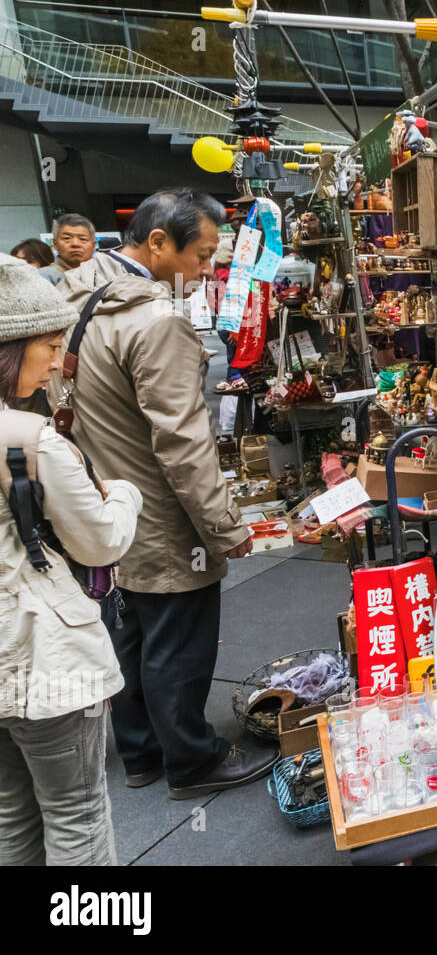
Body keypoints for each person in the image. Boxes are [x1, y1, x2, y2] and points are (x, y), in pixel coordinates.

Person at [57, 188, 271, 800]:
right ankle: (193, 759)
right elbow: (183, 442)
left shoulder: (81, 302)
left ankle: (142, 751)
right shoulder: (157, 321)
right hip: (160, 512)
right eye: (201, 255)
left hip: (101, 506)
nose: (207, 271)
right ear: (158, 242)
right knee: (178, 636)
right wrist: (227, 527)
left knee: (126, 630)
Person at [0, 253, 143, 864]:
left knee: (10, 818)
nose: (58, 360)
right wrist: (125, 495)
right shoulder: (28, 440)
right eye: (50, 344)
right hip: (42, 655)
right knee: (77, 817)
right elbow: (101, 541)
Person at [38, 213, 97, 285]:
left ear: (93, 246)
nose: (75, 244)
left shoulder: (105, 275)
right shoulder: (41, 277)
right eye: (67, 238)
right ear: (55, 244)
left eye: (83, 239)